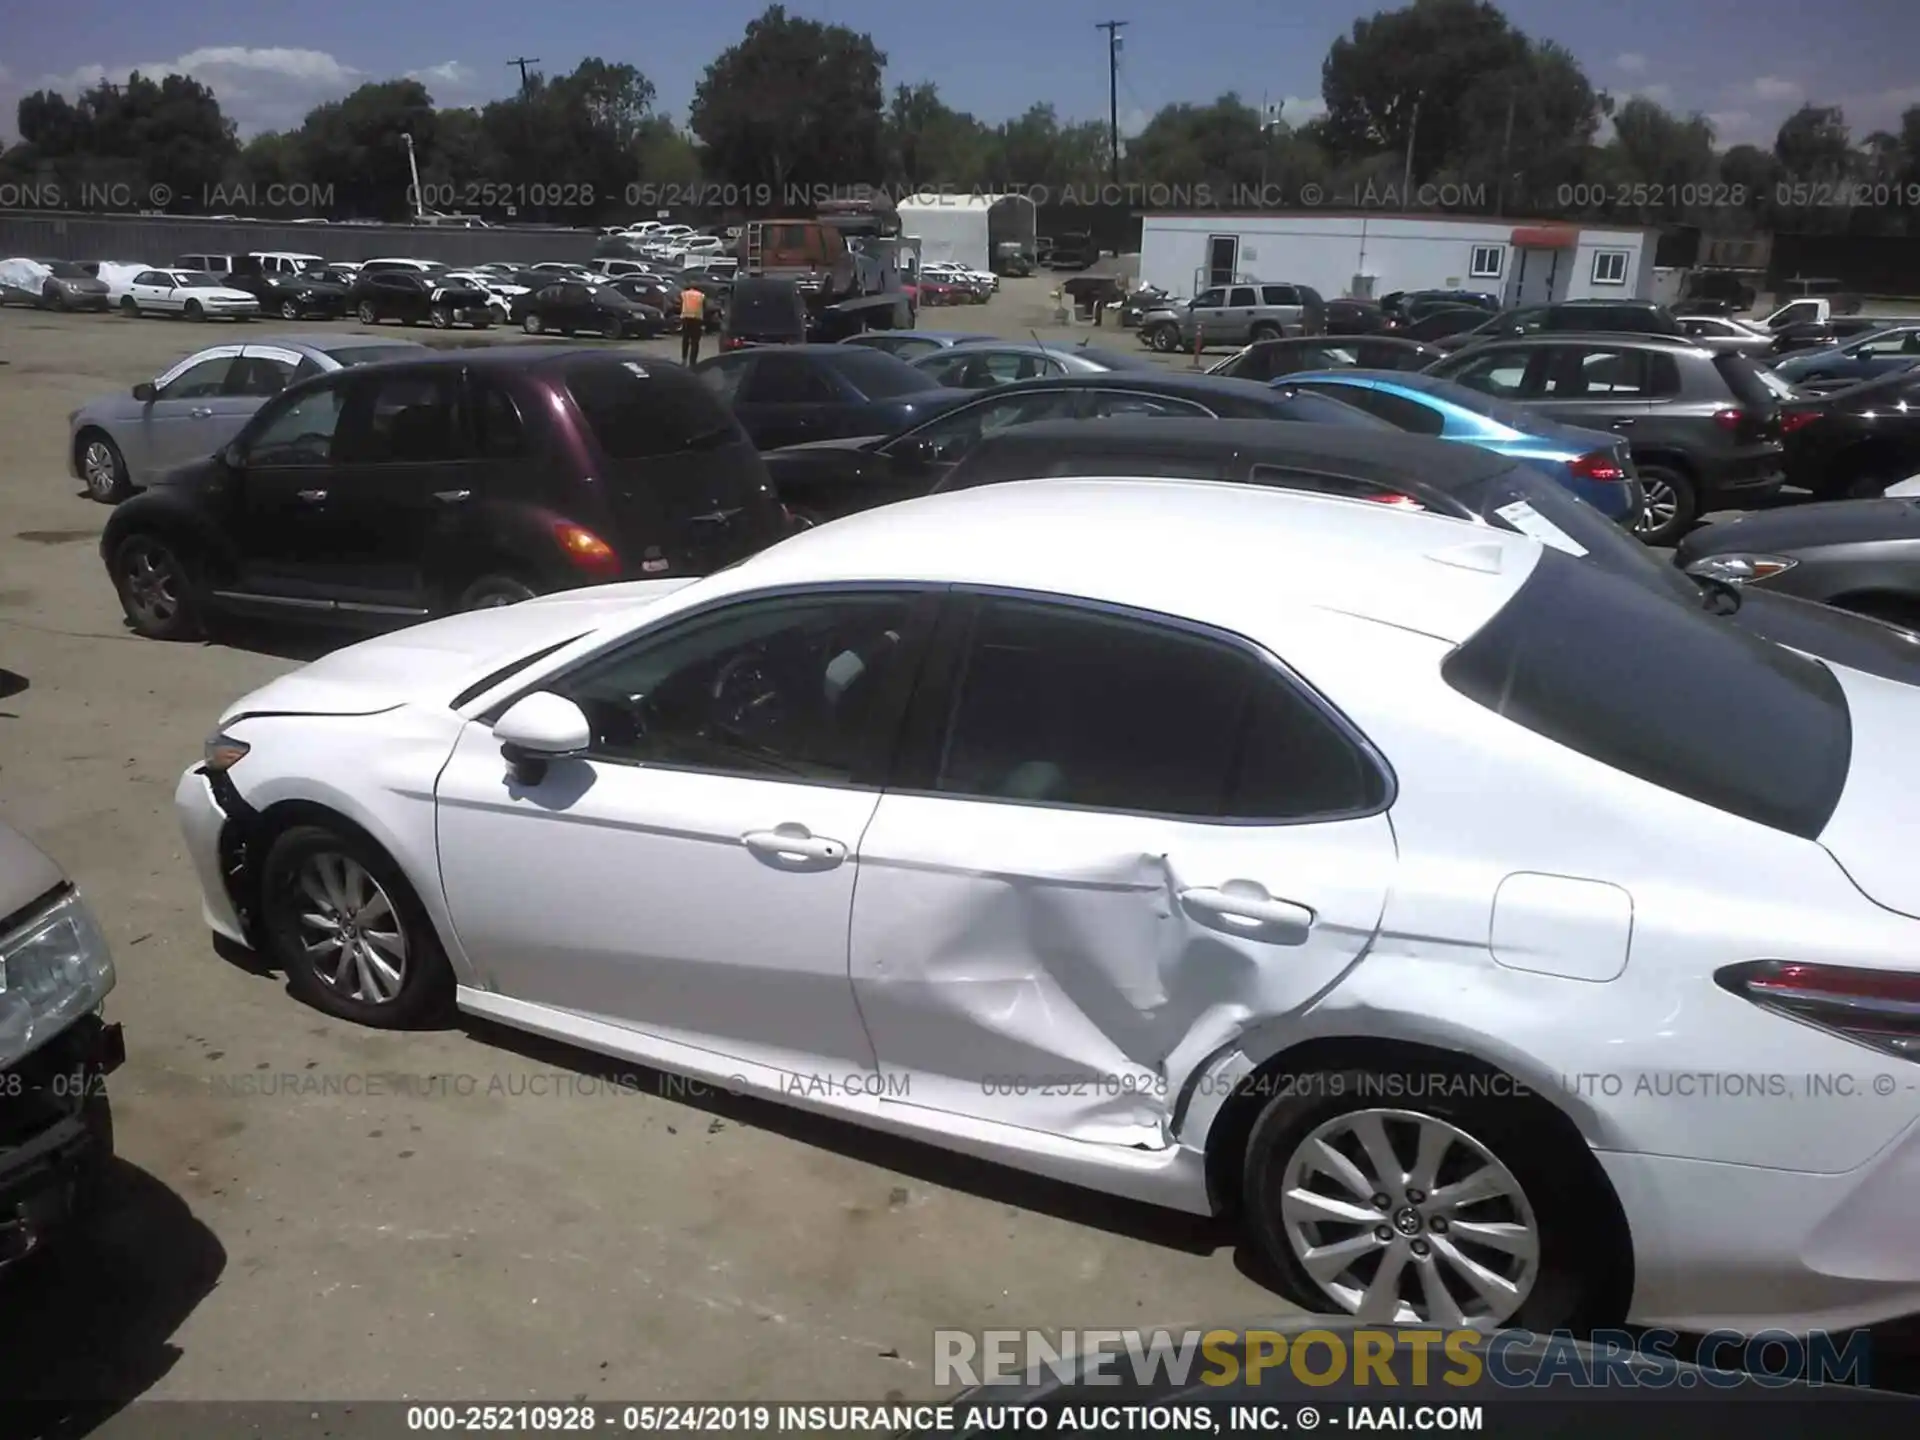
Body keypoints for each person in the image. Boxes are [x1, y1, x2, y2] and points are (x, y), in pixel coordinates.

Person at [679, 285, 706, 364]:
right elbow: (704, 307)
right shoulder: (701, 295)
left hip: (686, 318)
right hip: (697, 319)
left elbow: (680, 304)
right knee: (695, 341)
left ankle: (684, 359)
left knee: (685, 339)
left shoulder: (684, 294)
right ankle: (693, 361)